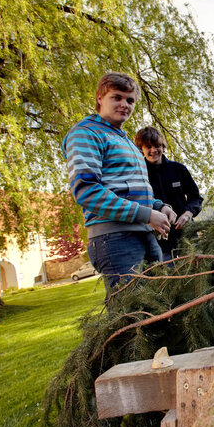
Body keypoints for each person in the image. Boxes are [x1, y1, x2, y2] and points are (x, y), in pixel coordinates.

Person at [61, 72, 177, 291]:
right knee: (133, 314)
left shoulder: (127, 142)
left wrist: (159, 207)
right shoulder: (86, 133)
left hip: (143, 233)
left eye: (130, 100)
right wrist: (147, 214)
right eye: (117, 97)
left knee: (161, 305)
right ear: (99, 99)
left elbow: (131, 191)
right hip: (115, 239)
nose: (124, 104)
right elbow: (86, 191)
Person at [135, 126, 203, 260]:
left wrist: (188, 214)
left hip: (187, 236)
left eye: (157, 146)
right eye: (148, 147)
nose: (153, 150)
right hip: (159, 243)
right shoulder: (138, 175)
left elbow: (195, 197)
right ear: (141, 149)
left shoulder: (178, 169)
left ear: (163, 146)